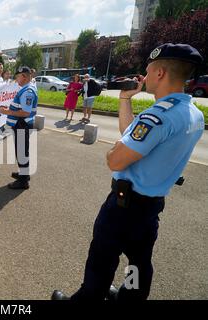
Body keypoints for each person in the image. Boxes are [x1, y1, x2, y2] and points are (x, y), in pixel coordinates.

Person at [52, 43, 205, 301]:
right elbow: (130, 136)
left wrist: (114, 151)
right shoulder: (193, 113)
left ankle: (88, 298)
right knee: (137, 261)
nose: (144, 75)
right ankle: (130, 296)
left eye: (148, 69)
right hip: (151, 206)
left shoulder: (158, 117)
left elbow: (116, 161)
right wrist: (125, 99)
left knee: (102, 259)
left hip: (124, 207)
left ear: (159, 74)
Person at [0, 66, 38, 190]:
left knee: (21, 152)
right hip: (22, 123)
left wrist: (7, 112)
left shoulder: (27, 91)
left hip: (22, 123)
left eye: (18, 77)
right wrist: (9, 109)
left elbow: (25, 112)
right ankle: (24, 174)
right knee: (22, 151)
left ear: (24, 76)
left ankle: (23, 181)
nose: (16, 79)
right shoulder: (26, 88)